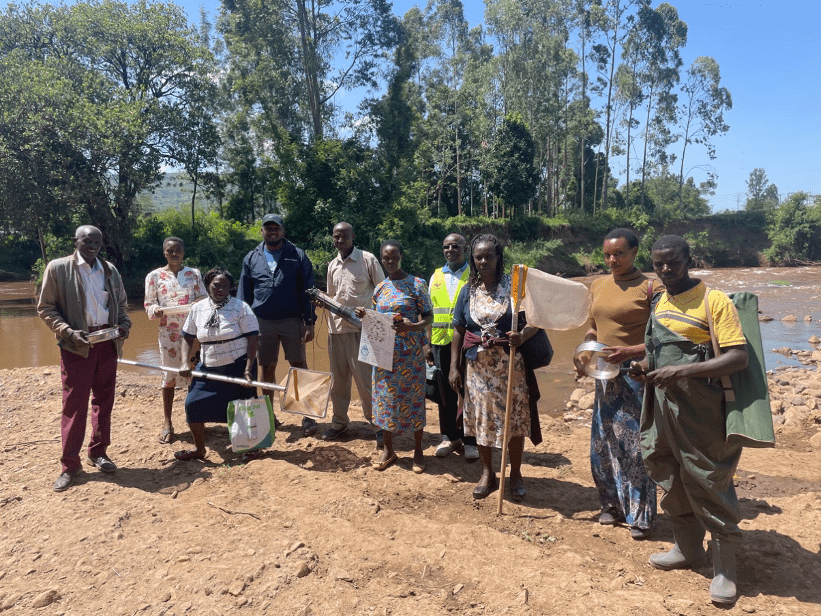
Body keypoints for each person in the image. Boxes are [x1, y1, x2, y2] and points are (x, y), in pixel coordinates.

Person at [630, 235, 748, 605]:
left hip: (701, 410)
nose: (666, 270)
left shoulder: (715, 301)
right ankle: (687, 548)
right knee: (668, 471)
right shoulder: (659, 300)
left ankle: (724, 569)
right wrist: (643, 367)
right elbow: (658, 354)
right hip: (662, 405)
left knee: (707, 476)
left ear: (688, 260)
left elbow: (737, 357)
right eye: (659, 264)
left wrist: (681, 374)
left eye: (673, 262)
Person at [574, 228, 662, 539]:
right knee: (602, 442)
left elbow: (662, 337)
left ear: (635, 252)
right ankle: (610, 505)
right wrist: (586, 352)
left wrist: (631, 352)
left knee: (635, 447)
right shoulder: (598, 285)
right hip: (605, 374)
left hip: (636, 376)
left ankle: (640, 515)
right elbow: (594, 326)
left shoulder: (651, 287)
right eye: (608, 255)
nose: (613, 260)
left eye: (619, 254)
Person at [37, 225, 132, 492]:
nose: (93, 245)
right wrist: (67, 331)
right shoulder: (58, 268)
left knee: (104, 400)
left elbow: (121, 306)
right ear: (75, 241)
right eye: (87, 240)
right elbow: (45, 308)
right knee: (74, 405)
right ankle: (70, 465)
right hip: (76, 345)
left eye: (98, 241)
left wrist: (124, 325)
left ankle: (98, 453)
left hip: (108, 343)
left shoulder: (110, 270)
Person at [449, 234, 538, 500]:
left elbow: (537, 319)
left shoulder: (515, 288)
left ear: (498, 257)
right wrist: (454, 366)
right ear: (473, 260)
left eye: (489, 256)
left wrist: (523, 336)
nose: (484, 261)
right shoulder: (467, 291)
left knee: (514, 421)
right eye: (478, 257)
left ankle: (516, 473)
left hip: (510, 366)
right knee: (481, 421)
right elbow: (458, 330)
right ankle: (488, 473)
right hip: (477, 369)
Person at [354, 240, 433, 473]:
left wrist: (413, 326)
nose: (390, 261)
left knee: (415, 401)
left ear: (401, 256)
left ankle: (419, 452)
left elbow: (429, 318)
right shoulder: (380, 288)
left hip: (410, 355)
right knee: (385, 401)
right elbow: (378, 320)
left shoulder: (417, 284)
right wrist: (364, 315)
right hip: (383, 352)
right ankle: (389, 450)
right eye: (385, 258)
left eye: (393, 257)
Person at [238, 213, 317, 437]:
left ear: (283, 231)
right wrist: (243, 325)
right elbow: (244, 294)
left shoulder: (297, 255)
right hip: (262, 322)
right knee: (267, 367)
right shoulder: (251, 257)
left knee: (299, 365)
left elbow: (308, 290)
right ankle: (268, 415)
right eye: (268, 228)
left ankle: (307, 414)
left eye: (276, 228)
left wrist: (309, 321)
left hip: (292, 320)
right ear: (262, 231)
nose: (272, 232)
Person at [175, 267, 259, 461]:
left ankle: (251, 447)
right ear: (208, 286)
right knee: (193, 404)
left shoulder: (241, 307)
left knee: (243, 406)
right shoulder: (197, 308)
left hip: (237, 365)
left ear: (231, 288)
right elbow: (187, 337)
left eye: (225, 286)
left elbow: (253, 339)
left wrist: (248, 370)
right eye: (215, 285)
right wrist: (184, 363)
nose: (219, 289)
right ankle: (199, 449)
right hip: (208, 366)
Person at [321, 222, 385, 442]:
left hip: (363, 331)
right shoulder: (332, 266)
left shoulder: (368, 260)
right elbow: (331, 297)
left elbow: (383, 294)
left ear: (353, 236)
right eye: (336, 237)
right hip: (336, 331)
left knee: (366, 381)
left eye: (344, 237)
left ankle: (378, 426)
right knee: (338, 381)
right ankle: (339, 423)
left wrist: (376, 323)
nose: (340, 241)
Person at [144, 237, 207, 444]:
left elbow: (203, 300)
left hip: (192, 332)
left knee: (193, 376)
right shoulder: (154, 276)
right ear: (164, 253)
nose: (174, 254)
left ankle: (195, 420)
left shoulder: (194, 274)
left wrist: (195, 307)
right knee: (168, 377)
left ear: (183, 252)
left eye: (177, 250)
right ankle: (167, 422)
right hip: (168, 334)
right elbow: (149, 305)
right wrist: (156, 310)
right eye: (170, 251)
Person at [425, 233, 479, 461]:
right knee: (444, 392)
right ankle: (449, 436)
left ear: (464, 249)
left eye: (455, 246)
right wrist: (426, 344)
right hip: (439, 341)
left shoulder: (474, 275)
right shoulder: (436, 276)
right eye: (446, 246)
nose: (450, 250)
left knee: (469, 392)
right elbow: (428, 313)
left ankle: (471, 440)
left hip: (468, 343)